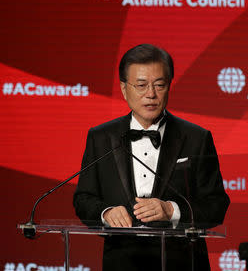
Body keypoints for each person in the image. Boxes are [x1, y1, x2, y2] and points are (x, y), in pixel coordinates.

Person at [73, 44, 230, 271]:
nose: (151, 94)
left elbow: (216, 204)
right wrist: (105, 212)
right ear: (124, 88)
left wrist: (172, 210)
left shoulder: (196, 137)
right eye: (141, 85)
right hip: (122, 262)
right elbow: (83, 199)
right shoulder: (101, 137)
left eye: (159, 85)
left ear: (169, 86)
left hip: (182, 263)